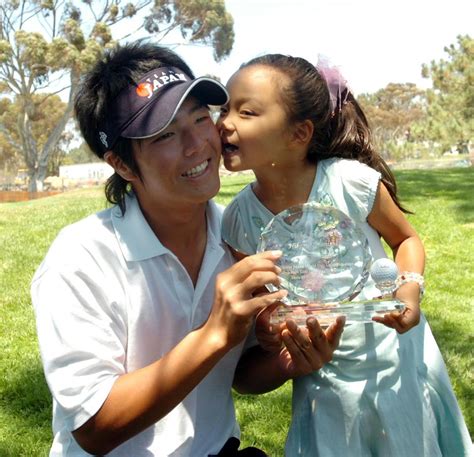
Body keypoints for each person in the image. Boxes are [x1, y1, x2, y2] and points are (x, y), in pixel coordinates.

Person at [31, 43, 345, 457]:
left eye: (200, 118)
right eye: (165, 135)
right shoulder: (81, 260)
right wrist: (214, 333)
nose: (198, 143)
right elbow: (94, 427)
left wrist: (286, 361)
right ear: (122, 165)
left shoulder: (240, 236)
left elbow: (242, 375)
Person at [219, 54, 473, 456]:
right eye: (224, 109)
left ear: (298, 133)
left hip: (394, 366)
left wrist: (407, 294)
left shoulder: (349, 182)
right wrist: (269, 331)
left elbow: (406, 240)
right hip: (324, 382)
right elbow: (264, 306)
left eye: (246, 112)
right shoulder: (237, 221)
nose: (224, 122)